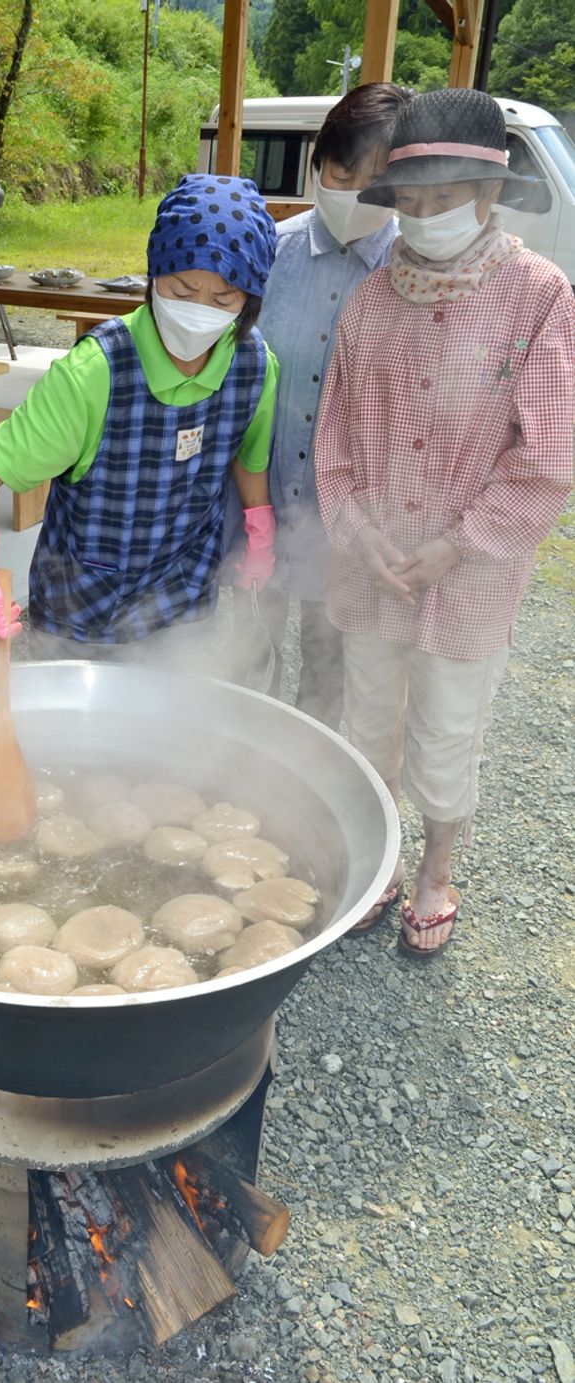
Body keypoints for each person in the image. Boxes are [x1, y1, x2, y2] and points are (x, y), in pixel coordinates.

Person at [314, 88, 575, 955]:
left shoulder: (538, 298)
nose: (424, 219)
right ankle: (380, 864)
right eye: (411, 202)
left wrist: (457, 542)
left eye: (444, 200)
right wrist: (356, 526)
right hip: (372, 564)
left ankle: (434, 869)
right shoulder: (371, 304)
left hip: (470, 575)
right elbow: (336, 440)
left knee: (447, 727)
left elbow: (548, 456)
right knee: (369, 718)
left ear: (490, 198)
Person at [0, 174, 279, 663]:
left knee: (165, 731)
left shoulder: (255, 366)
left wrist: (261, 532)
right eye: (183, 288)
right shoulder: (94, 373)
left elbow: (248, 459)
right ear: (154, 274)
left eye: (223, 300)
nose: (198, 312)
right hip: (80, 609)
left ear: (250, 301)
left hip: (181, 599)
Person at [228, 82, 411, 722]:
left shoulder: (410, 275)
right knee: (248, 659)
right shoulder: (269, 256)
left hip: (352, 527)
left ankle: (305, 793)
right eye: (342, 170)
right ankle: (239, 772)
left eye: (378, 179)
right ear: (317, 164)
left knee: (327, 679)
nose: (356, 192)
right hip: (259, 504)